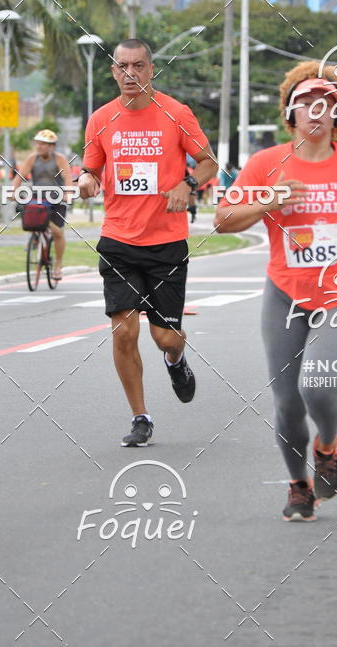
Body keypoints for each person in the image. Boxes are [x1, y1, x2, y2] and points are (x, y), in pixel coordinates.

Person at [215, 61, 337, 521]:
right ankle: (298, 485)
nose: (317, 112)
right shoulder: (265, 164)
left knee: (319, 383)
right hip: (285, 293)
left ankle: (328, 444)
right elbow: (223, 219)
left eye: (328, 105)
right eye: (307, 104)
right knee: (287, 400)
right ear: (290, 114)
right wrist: (267, 200)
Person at [78, 38, 218, 447]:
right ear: (112, 71)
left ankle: (176, 359)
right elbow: (91, 167)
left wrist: (188, 183)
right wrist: (86, 178)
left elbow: (209, 162)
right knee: (123, 332)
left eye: (138, 66)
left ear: (151, 70)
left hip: (166, 243)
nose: (130, 74)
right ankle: (140, 416)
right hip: (118, 239)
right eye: (122, 67)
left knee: (165, 337)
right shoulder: (101, 118)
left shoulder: (176, 113)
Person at [12, 130, 72, 281]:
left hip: (57, 199)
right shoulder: (32, 159)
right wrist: (13, 191)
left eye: (43, 144)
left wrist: (68, 193)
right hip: (38, 198)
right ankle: (35, 238)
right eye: (37, 143)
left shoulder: (60, 159)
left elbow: (68, 179)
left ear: (52, 146)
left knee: (57, 232)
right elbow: (19, 178)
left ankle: (58, 264)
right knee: (29, 215)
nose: (39, 146)